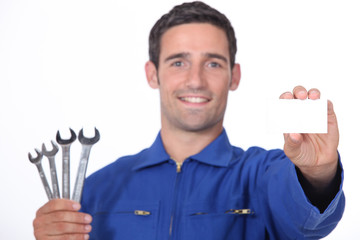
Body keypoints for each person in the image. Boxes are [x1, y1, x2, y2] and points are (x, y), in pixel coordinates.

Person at [33, 1, 345, 239]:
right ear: (152, 74)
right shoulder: (98, 188)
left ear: (234, 76)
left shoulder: (261, 176)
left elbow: (307, 222)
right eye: (178, 62)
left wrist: (317, 174)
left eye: (212, 63)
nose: (195, 80)